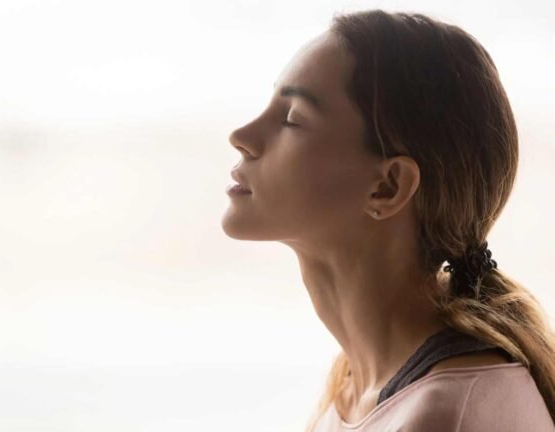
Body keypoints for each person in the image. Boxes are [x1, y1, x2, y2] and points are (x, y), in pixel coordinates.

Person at [221, 9, 555, 432]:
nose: (242, 135)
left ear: (388, 187)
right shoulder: (351, 388)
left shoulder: (450, 410)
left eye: (293, 119)